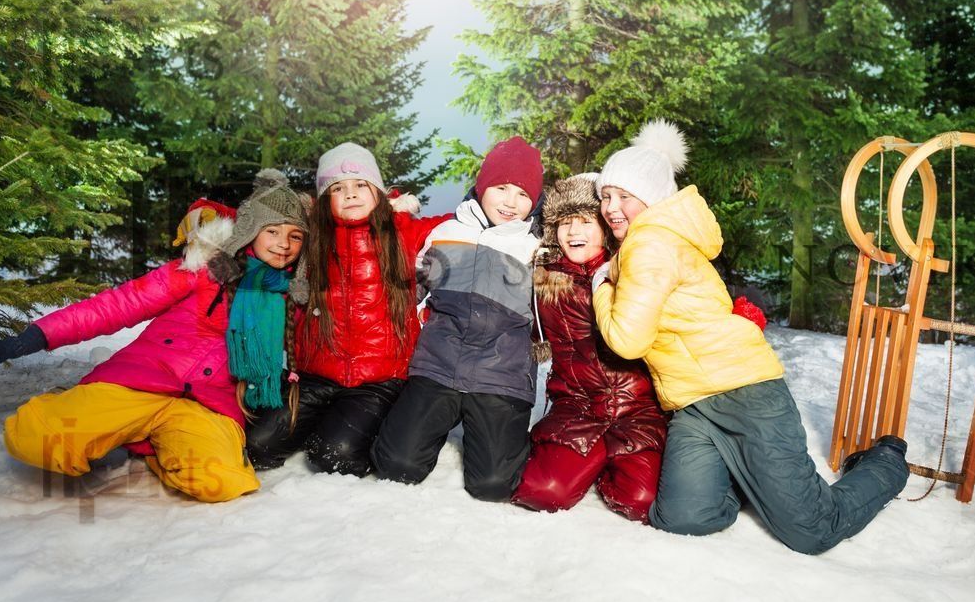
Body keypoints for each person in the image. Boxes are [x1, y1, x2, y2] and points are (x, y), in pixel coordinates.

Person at [591, 120, 910, 554]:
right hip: (693, 405)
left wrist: (601, 289)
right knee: (684, 517)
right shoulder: (652, 241)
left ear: (651, 198)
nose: (611, 207)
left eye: (624, 196)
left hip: (746, 392)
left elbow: (627, 340)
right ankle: (751, 477)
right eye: (606, 196)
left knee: (813, 530)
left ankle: (886, 461)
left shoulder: (649, 244)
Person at [0, 170, 308, 502]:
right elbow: (121, 304)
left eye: (296, 236)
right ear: (251, 230)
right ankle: (78, 406)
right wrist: (39, 335)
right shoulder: (204, 269)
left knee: (222, 482)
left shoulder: (294, 297)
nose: (284, 244)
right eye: (272, 231)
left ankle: (159, 445)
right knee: (38, 438)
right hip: (142, 381)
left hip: (207, 405)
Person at [244, 142, 450, 477]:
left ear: (378, 192)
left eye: (360, 185)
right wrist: (207, 218)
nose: (350, 194)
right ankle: (325, 421)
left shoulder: (404, 232)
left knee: (334, 454)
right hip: (316, 374)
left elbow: (460, 225)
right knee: (258, 444)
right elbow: (254, 228)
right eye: (338, 188)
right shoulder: (312, 236)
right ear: (324, 199)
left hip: (379, 378)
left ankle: (355, 427)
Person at [372, 136, 544, 501]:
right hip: (439, 365)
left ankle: (498, 433)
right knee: (398, 464)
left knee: (493, 485)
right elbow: (413, 289)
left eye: (523, 194)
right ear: (482, 186)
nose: (511, 202)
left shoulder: (536, 248)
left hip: (501, 375)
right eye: (501, 188)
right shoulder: (446, 233)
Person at [511, 175, 667, 522]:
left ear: (605, 226)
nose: (573, 231)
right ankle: (586, 460)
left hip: (637, 408)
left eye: (585, 221)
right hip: (577, 405)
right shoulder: (542, 279)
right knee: (544, 491)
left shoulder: (633, 270)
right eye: (564, 223)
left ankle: (609, 461)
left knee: (642, 501)